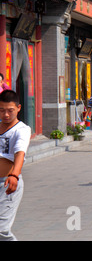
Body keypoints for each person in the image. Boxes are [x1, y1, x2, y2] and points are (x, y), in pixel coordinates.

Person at [0, 90, 31, 241]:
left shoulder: (22, 130)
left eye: (10, 110)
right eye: (1, 110)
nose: (6, 114)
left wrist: (14, 175)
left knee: (1, 230)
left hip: (7, 183)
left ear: (18, 108)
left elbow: (20, 152)